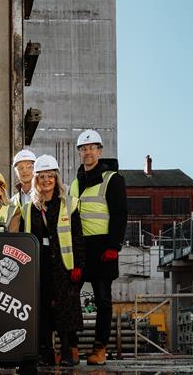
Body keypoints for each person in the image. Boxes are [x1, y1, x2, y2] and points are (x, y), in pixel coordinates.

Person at [69, 130, 127, 365]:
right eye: (83, 149)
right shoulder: (75, 182)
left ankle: (99, 348)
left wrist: (114, 246)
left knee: (102, 300)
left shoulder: (113, 179)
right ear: (80, 153)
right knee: (69, 297)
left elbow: (120, 214)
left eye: (92, 148)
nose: (87, 152)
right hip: (80, 249)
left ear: (100, 151)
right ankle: (70, 347)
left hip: (103, 248)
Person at [21, 154, 84, 366]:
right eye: (41, 177)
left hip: (64, 264)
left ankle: (67, 351)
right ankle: (45, 352)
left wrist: (78, 266)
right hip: (40, 264)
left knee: (65, 308)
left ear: (56, 178)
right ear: (35, 180)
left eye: (50, 176)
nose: (46, 180)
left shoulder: (68, 203)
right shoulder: (30, 207)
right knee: (42, 308)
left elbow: (77, 237)